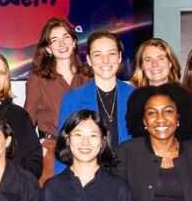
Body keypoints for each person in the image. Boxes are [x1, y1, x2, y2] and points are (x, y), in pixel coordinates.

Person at [56, 31, 134, 173]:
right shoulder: (72, 99)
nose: (105, 60)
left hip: (128, 175)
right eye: (98, 55)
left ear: (119, 57)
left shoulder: (134, 95)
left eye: (111, 53)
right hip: (88, 178)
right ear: (89, 60)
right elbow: (63, 148)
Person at [24, 17, 92, 183]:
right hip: (52, 153)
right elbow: (26, 121)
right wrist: (35, 149)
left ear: (74, 42)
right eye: (55, 40)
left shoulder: (89, 77)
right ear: (48, 48)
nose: (62, 43)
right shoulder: (38, 79)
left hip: (86, 151)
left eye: (66, 37)